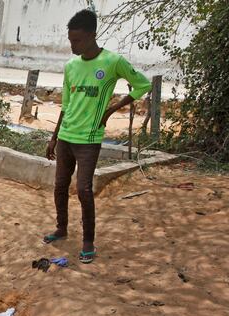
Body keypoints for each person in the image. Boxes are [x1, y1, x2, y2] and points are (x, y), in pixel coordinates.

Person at [44, 9, 151, 263]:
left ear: (93, 35)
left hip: (89, 139)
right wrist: (54, 137)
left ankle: (88, 242)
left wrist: (113, 109)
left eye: (77, 40)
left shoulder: (112, 62)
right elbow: (66, 105)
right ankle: (61, 228)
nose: (73, 45)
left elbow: (143, 85)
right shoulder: (71, 66)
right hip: (66, 137)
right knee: (60, 186)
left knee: (83, 189)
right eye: (70, 40)